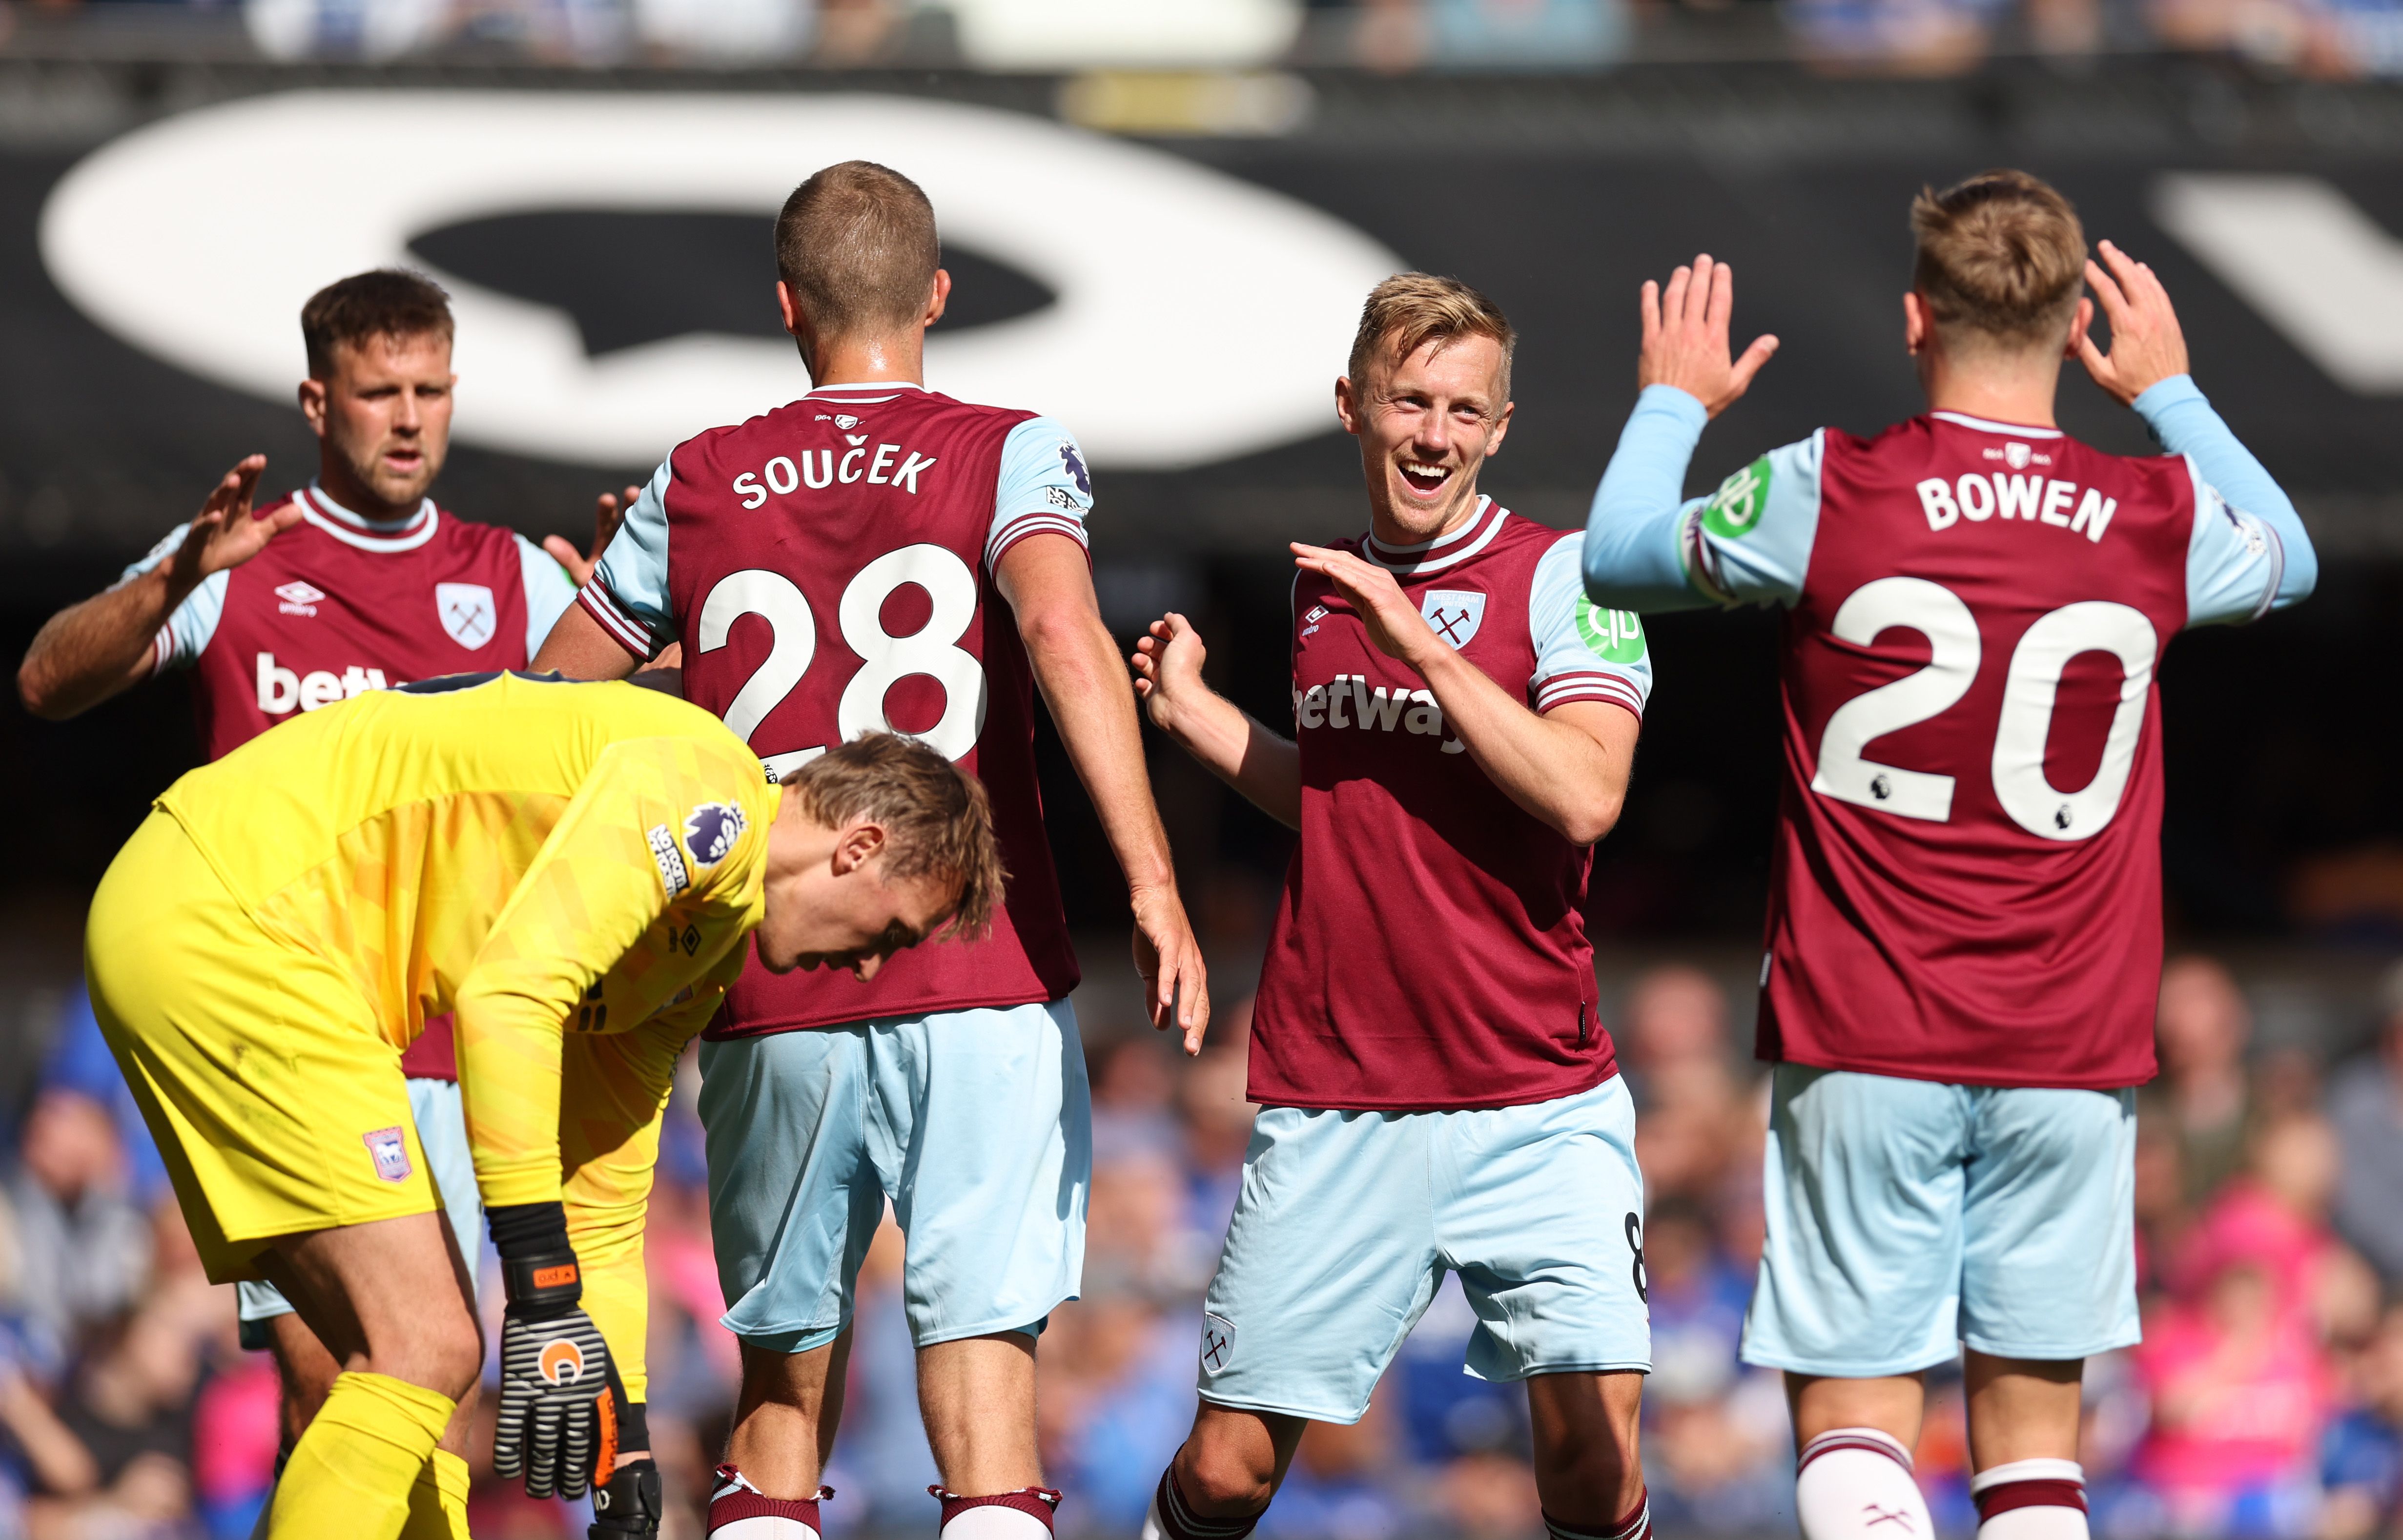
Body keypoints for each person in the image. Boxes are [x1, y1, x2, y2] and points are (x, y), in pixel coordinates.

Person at [1581, 169, 2316, 1540]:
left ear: (1913, 319)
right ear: (2070, 325)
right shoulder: (2153, 511)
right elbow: (2292, 555)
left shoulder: (1829, 487)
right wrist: (2168, 393)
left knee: (1856, 1420)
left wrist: (1673, 397)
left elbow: (1616, 557)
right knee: (2036, 1460)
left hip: (1865, 1027)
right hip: (2069, 1044)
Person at [531, 159, 1206, 1540]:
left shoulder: (697, 477)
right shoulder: (1007, 446)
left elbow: (550, 710)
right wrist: (1149, 870)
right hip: (981, 963)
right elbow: (1064, 636)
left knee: (779, 1403)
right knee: (986, 1400)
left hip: (773, 971)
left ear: (787, 305)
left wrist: (678, 666)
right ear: (939, 295)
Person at [82, 672, 1002, 1540]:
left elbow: (599, 1202)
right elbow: (509, 999)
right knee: (427, 1347)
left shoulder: (703, 949)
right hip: (239, 918)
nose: (872, 965)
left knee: (421, 1389)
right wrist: (538, 1282)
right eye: (891, 931)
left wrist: (625, 1442)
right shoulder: (705, 793)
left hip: (230, 929)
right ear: (860, 847)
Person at [13, 268, 608, 1519]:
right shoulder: (241, 561)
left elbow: (623, 751)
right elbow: (46, 682)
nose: (408, 419)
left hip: (458, 1045)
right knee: (335, 1380)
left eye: (430, 391)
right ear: (314, 401)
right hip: (290, 1040)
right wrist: (173, 580)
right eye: (378, 392)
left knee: (428, 1400)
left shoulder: (511, 578)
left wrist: (629, 623)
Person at [1126, 272, 1656, 1540]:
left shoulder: (1566, 577)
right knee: (1224, 1470)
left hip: (1534, 1094)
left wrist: (1420, 641)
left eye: (1463, 409)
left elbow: (1584, 795)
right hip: (1340, 1093)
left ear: (1501, 425)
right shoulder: (1329, 588)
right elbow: (1364, 810)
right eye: (1409, 401)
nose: (1434, 432)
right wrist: (1208, 727)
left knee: (1592, 1467)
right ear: (1351, 406)